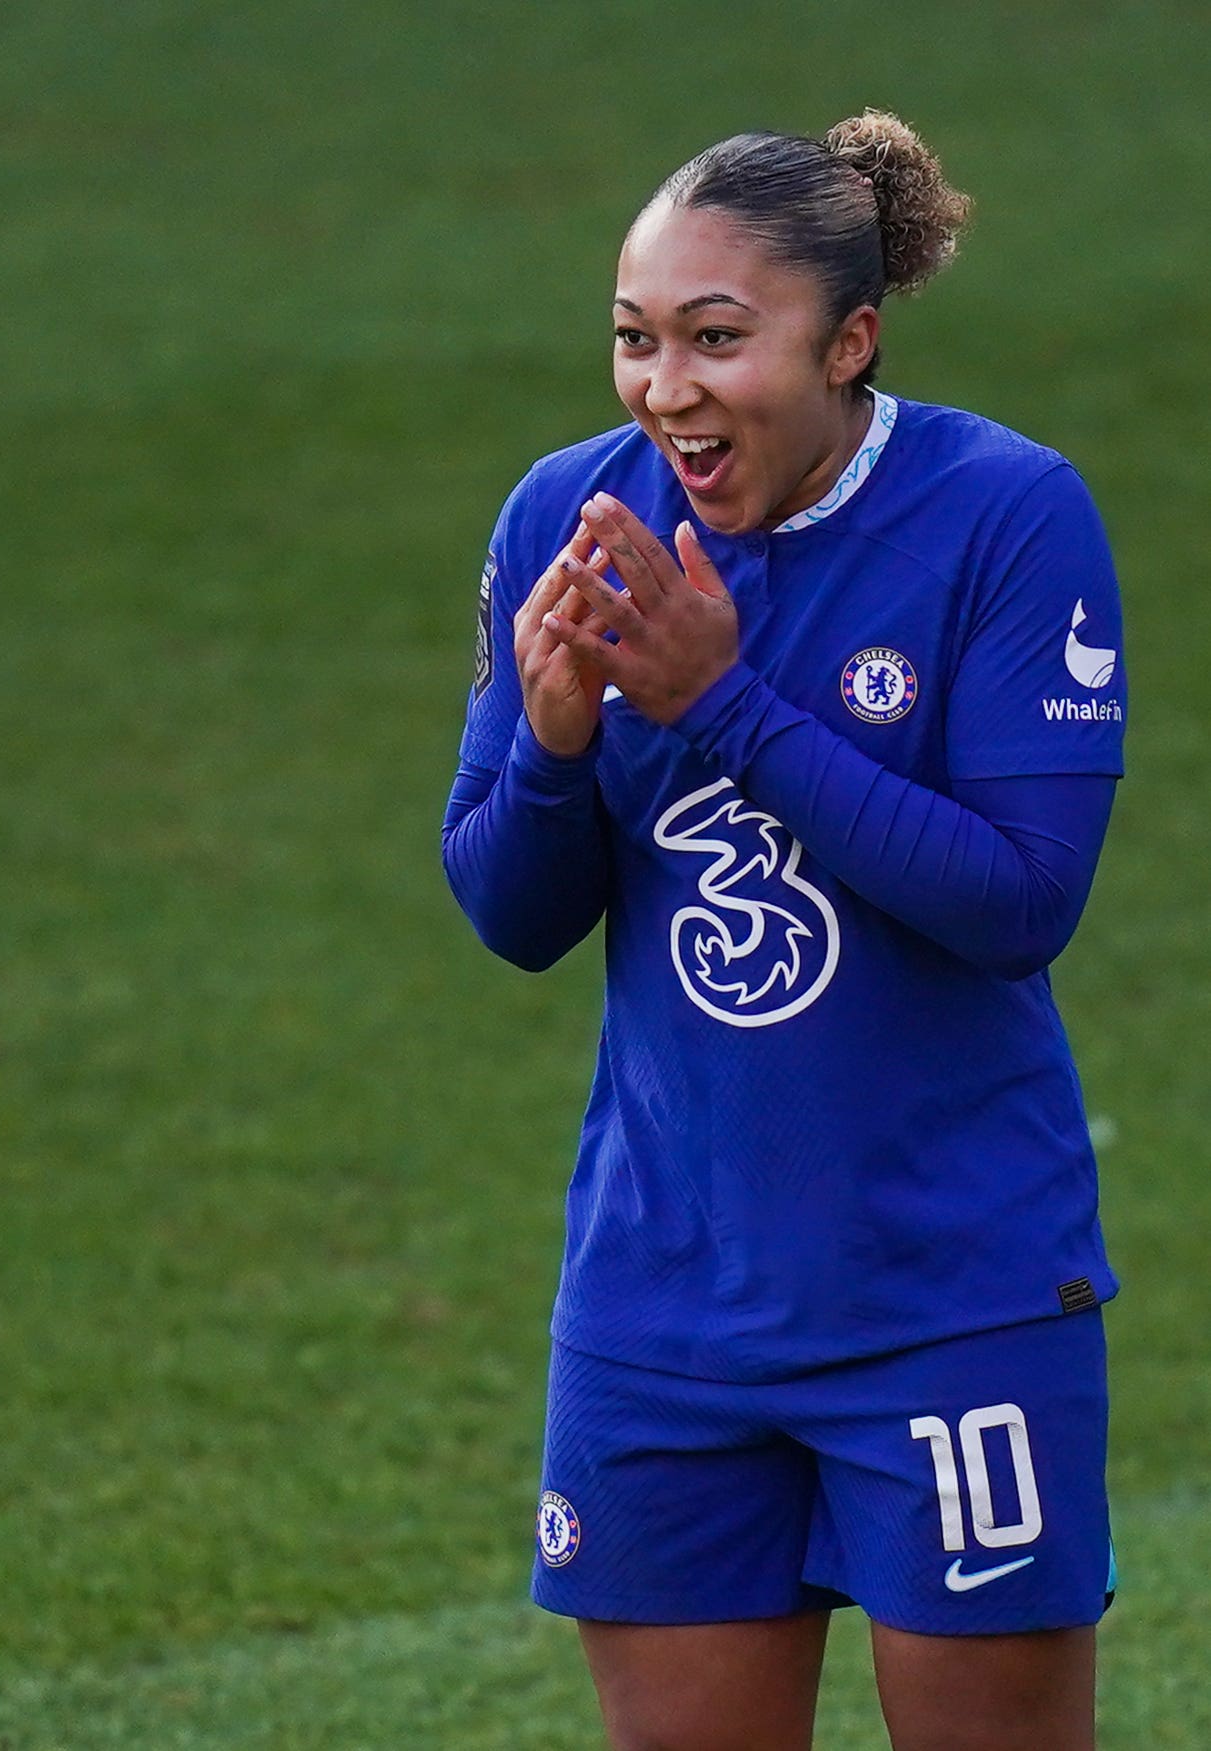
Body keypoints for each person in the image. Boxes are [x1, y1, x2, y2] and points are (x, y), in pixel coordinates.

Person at [443, 113, 1126, 1751]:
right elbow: (509, 915)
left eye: (716, 339)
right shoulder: (567, 513)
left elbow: (1023, 899)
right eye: (634, 338)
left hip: (946, 1299)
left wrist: (721, 705)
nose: (663, 388)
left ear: (852, 340)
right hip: (664, 1313)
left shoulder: (1006, 517)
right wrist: (548, 749)